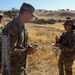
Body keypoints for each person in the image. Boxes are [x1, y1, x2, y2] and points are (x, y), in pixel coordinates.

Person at [2, 2, 35, 75]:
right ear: (26, 13)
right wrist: (25, 51)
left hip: (21, 67)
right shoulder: (13, 26)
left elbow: (20, 45)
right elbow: (9, 50)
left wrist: (28, 47)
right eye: (31, 15)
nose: (32, 17)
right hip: (12, 70)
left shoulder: (23, 26)